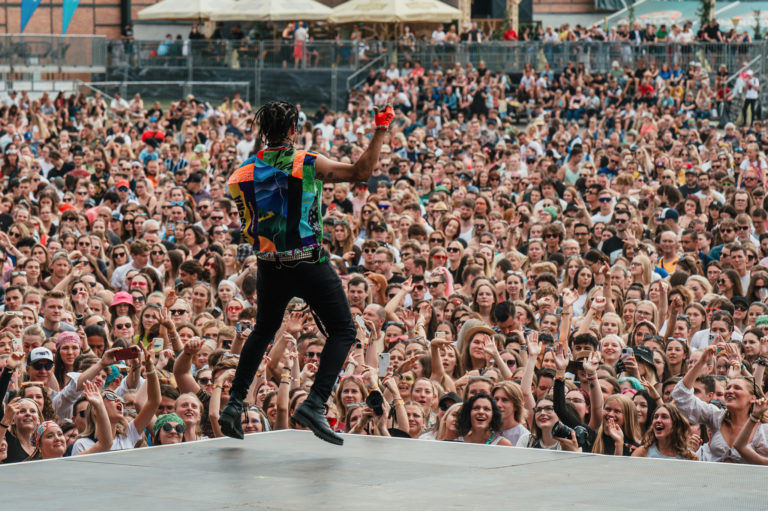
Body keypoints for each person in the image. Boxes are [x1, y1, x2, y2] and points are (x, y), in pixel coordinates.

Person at [220, 101, 394, 445]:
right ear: (293, 130)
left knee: (263, 330)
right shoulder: (306, 162)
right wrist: (379, 131)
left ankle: (234, 402)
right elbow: (361, 172)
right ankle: (314, 404)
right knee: (343, 330)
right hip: (308, 261)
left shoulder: (240, 174)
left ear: (263, 132)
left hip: (269, 265)